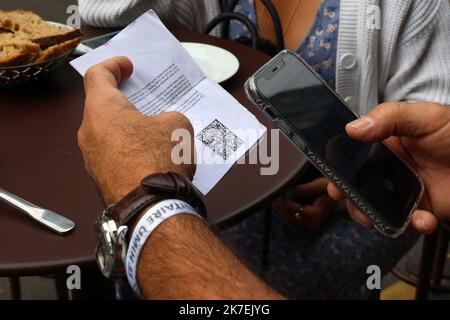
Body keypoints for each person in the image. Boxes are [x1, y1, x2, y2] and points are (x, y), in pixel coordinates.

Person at [79, 0, 450, 298]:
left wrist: (144, 206)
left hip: (336, 222)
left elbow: (422, 142)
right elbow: (108, 16)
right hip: (216, 194)